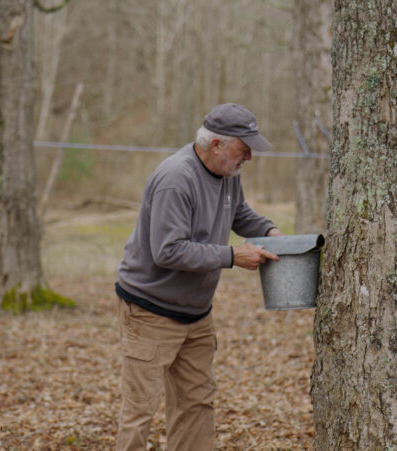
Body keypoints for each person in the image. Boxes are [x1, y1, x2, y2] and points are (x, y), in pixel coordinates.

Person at [114, 103, 283, 450]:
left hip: (196, 315)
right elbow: (168, 250)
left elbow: (238, 213)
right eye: (244, 147)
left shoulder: (227, 175)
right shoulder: (176, 179)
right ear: (217, 144)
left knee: (196, 406)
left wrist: (269, 230)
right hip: (150, 312)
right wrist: (232, 256)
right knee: (140, 410)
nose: (249, 156)